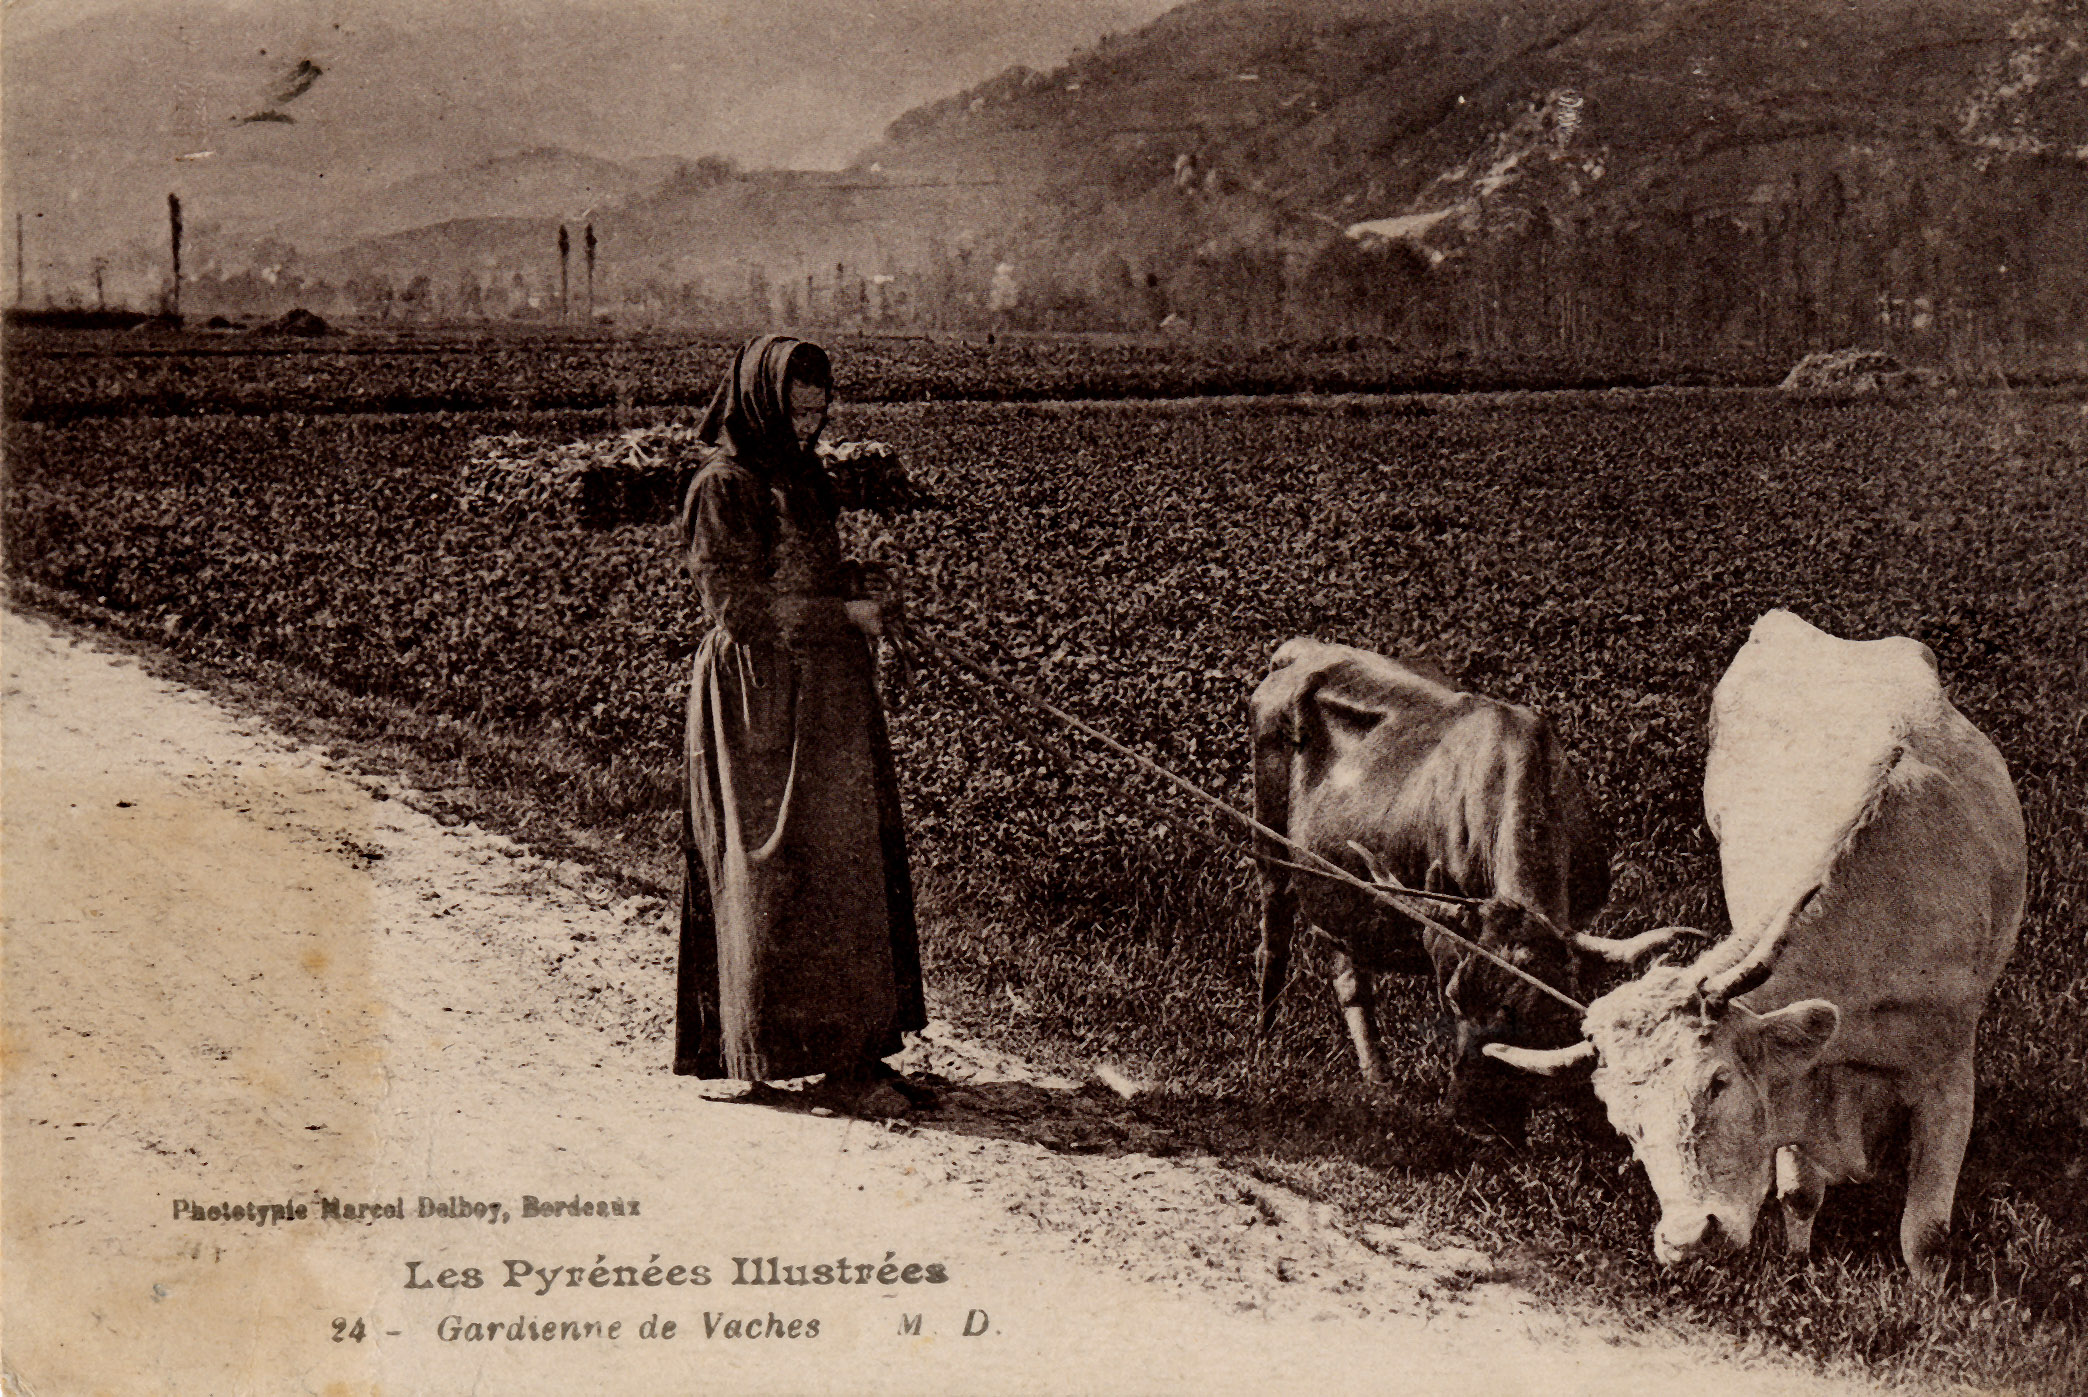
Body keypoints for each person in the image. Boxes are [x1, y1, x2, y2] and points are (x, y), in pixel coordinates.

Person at [671, 335, 926, 1100]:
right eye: (797, 410)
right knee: (777, 871)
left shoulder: (802, 472)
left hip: (826, 693)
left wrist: (861, 583)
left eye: (820, 411)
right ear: (760, 401)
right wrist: (842, 614)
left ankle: (854, 1050)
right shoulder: (721, 485)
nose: (811, 425)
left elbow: (805, 570)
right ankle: (778, 1050)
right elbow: (739, 608)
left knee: (846, 866)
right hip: (759, 706)